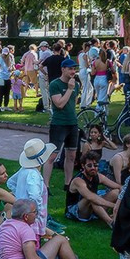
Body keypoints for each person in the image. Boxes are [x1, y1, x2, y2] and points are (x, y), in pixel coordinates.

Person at [46, 58, 80, 187]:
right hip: (59, 124)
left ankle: (68, 183)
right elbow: (59, 104)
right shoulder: (55, 84)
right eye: (70, 68)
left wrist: (72, 88)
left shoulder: (76, 84)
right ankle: (46, 185)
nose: (73, 71)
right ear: (63, 69)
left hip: (72, 123)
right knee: (52, 156)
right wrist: (69, 89)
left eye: (74, 68)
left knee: (71, 155)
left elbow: (74, 102)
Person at [65, 150, 121, 227]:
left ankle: (112, 215)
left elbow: (119, 187)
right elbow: (90, 197)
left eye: (95, 165)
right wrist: (115, 206)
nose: (93, 168)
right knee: (92, 198)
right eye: (89, 165)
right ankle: (111, 222)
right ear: (83, 166)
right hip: (75, 211)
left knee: (116, 192)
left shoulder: (98, 176)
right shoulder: (78, 180)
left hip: (92, 207)